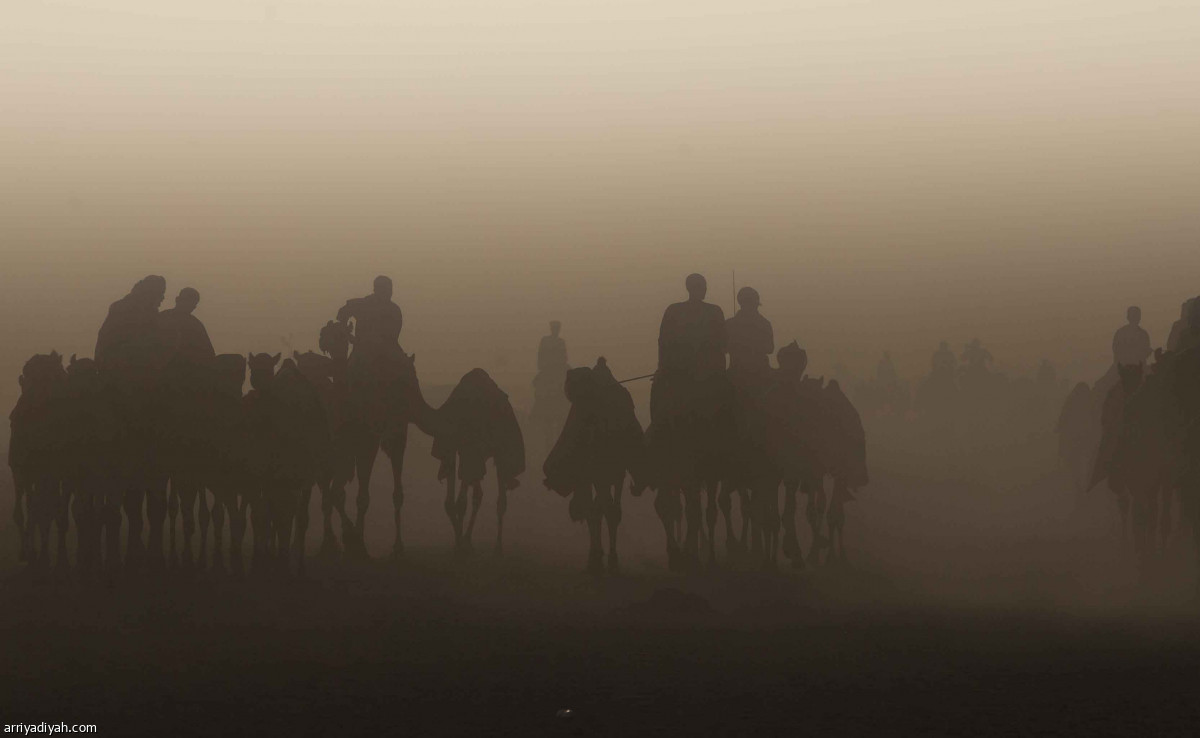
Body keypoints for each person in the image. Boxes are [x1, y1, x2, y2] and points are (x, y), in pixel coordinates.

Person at [657, 273, 726, 380]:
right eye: (703, 286)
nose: (705, 289)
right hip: (708, 373)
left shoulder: (673, 310)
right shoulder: (714, 311)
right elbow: (722, 344)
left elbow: (663, 343)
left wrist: (662, 368)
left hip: (679, 372)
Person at [725, 287, 773, 384]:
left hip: (736, 374)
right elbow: (770, 348)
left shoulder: (730, 324)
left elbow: (724, 348)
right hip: (760, 375)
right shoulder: (764, 323)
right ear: (756, 303)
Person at [158, 288, 215, 365]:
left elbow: (208, 354)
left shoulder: (163, 316)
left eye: (192, 303)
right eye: (188, 301)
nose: (192, 306)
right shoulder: (162, 318)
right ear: (177, 299)